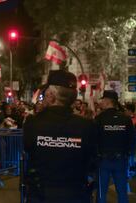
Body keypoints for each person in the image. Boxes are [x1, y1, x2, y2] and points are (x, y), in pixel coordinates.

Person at [23, 70, 97, 203]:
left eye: (45, 93)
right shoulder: (86, 126)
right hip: (75, 193)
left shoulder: (33, 123)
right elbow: (92, 158)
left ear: (51, 96)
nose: (44, 96)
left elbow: (28, 148)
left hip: (41, 195)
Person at [95, 90, 135, 203]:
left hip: (103, 160)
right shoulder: (126, 119)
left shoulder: (99, 118)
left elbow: (94, 139)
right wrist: (127, 154)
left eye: (103, 99)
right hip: (121, 159)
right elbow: (131, 140)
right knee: (122, 191)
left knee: (102, 192)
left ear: (108, 101)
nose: (101, 102)